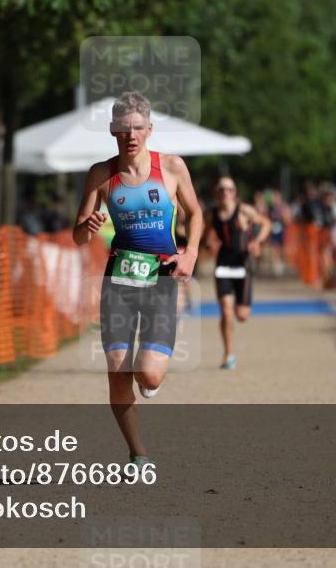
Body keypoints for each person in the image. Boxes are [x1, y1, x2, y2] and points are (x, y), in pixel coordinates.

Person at [72, 92, 203, 466]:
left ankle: (150, 378)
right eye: (124, 129)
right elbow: (78, 236)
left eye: (138, 128)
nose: (131, 135)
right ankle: (138, 452)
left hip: (161, 280)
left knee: (147, 376)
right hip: (119, 281)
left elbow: (196, 214)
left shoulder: (173, 168)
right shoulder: (102, 174)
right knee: (117, 370)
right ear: (113, 131)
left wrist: (190, 252)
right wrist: (88, 225)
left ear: (149, 129)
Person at [203, 176, 271, 369]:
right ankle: (228, 354)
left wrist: (256, 240)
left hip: (243, 263)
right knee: (225, 311)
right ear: (216, 193)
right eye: (222, 189)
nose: (226, 193)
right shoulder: (212, 214)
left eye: (230, 189)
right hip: (223, 263)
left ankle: (237, 307)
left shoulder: (244, 210)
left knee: (241, 315)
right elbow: (205, 235)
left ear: (235, 192)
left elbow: (265, 223)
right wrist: (207, 243)